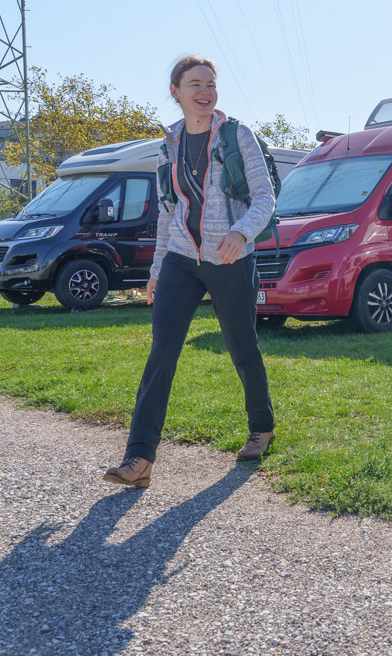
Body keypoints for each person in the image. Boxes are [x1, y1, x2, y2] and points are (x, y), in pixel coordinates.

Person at [103, 55, 277, 488]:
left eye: (211, 83)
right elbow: (167, 212)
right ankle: (138, 459)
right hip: (182, 258)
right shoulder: (170, 144)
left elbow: (265, 198)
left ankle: (261, 427)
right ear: (176, 92)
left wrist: (241, 233)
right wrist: (158, 269)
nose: (205, 91)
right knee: (162, 351)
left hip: (229, 258)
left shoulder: (238, 135)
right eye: (195, 84)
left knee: (241, 347)